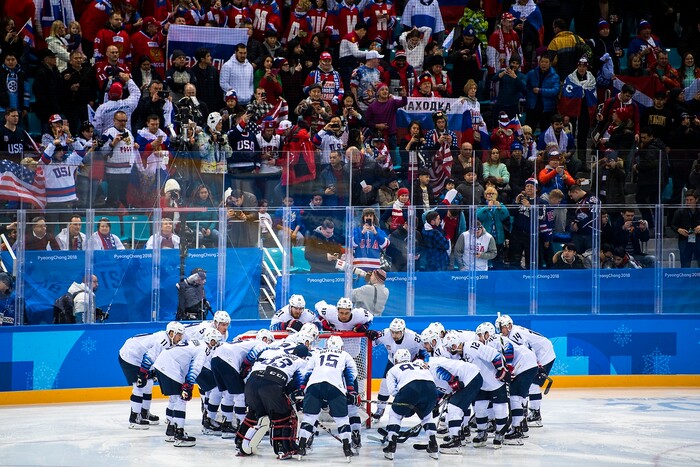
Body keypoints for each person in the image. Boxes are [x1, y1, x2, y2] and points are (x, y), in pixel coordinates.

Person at [235, 344, 309, 459]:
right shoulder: (301, 362)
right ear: (304, 356)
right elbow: (299, 384)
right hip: (272, 385)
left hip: (252, 382)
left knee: (254, 414)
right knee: (284, 416)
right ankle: (283, 449)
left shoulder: (275, 355)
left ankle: (240, 442)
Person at [152, 327, 223, 447]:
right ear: (209, 340)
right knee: (181, 400)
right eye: (214, 341)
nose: (216, 344)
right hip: (170, 367)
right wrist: (188, 385)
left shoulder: (195, 342)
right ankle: (179, 434)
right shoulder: (204, 349)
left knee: (174, 399)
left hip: (161, 364)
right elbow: (195, 367)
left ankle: (171, 431)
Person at [442, 330, 510, 448]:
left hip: (495, 382)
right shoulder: (458, 356)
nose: (448, 351)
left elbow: (494, 354)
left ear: (454, 345)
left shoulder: (472, 346)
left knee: (499, 409)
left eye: (449, 348)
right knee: (479, 409)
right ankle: (481, 432)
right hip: (481, 384)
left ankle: (500, 433)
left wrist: (501, 369)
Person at [297, 335, 358, 460]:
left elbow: (307, 372)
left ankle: (301, 446)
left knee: (309, 417)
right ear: (341, 346)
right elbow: (350, 373)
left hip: (314, 386)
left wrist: (302, 389)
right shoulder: (345, 355)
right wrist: (351, 391)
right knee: (342, 419)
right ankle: (347, 448)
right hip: (334, 386)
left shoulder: (317, 354)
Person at [478, 322, 538, 444]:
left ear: (487, 333)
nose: (479, 338)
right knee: (518, 397)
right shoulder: (494, 340)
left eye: (480, 335)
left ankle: (517, 430)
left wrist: (508, 368)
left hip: (524, 365)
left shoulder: (493, 339)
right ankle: (521, 427)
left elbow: (509, 348)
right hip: (527, 364)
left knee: (514, 397)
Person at [118, 321, 185, 429]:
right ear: (171, 333)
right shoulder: (163, 341)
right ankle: (134, 418)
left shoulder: (168, 339)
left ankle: (144, 413)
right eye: (179, 334)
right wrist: (142, 374)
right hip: (130, 356)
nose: (180, 338)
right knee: (139, 386)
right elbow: (149, 358)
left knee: (148, 384)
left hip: (138, 356)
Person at [496, 314, 556, 427]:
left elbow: (528, 350)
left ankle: (535, 413)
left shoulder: (515, 333)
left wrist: (537, 365)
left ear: (509, 325)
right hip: (540, 352)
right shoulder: (511, 333)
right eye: (499, 328)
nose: (501, 330)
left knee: (533, 382)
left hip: (544, 353)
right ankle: (529, 411)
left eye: (502, 327)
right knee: (531, 381)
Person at [366, 318, 429, 421]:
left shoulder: (414, 337)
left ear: (403, 330)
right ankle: (380, 409)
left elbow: (426, 349)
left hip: (411, 363)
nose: (394, 335)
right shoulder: (385, 334)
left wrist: (421, 361)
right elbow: (373, 342)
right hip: (393, 361)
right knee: (384, 384)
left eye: (397, 332)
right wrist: (371, 335)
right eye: (392, 332)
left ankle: (420, 410)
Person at [381, 348, 439, 460]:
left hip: (411, 389)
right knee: (427, 416)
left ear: (396, 360)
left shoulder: (393, 369)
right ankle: (433, 444)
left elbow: (393, 391)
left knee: (395, 414)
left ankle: (391, 445)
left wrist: (404, 402)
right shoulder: (420, 365)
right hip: (431, 389)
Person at [524, 52, 560, 134]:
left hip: (547, 110)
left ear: (550, 63)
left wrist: (540, 91)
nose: (544, 64)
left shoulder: (555, 76)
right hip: (532, 108)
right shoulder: (531, 73)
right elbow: (524, 86)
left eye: (546, 62)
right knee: (528, 132)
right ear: (539, 62)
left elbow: (555, 91)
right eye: (542, 62)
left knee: (546, 133)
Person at [477, 188, 510, 269]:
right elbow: (478, 216)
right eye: (488, 193)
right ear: (485, 195)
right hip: (485, 237)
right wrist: (487, 207)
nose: (490, 195)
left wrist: (500, 208)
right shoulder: (481, 205)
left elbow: (505, 216)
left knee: (498, 258)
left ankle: (497, 274)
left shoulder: (500, 205)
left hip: (498, 236)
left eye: (493, 193)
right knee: (486, 257)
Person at [352, 207, 390, 272]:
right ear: (363, 218)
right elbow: (352, 244)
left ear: (374, 218)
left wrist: (376, 233)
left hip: (375, 267)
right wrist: (362, 232)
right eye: (366, 216)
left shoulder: (379, 231)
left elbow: (385, 245)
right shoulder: (357, 230)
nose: (368, 217)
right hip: (359, 266)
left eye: (371, 216)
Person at [670, 190, 700, 268]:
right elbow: (673, 225)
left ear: (696, 200)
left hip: (698, 238)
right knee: (685, 263)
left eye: (691, 200)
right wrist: (678, 229)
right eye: (687, 200)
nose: (688, 202)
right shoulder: (680, 211)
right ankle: (685, 278)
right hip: (685, 239)